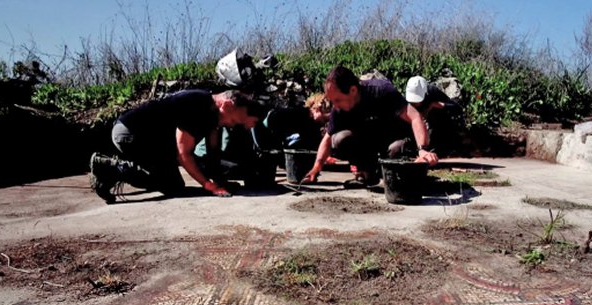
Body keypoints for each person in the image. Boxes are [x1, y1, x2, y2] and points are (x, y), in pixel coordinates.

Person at [89, 89, 263, 203]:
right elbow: (183, 154)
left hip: (149, 138)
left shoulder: (213, 116)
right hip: (131, 134)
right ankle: (109, 168)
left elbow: (212, 153)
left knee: (172, 183)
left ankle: (109, 175)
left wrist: (219, 181)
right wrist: (208, 185)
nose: (232, 126)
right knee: (173, 186)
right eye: (234, 121)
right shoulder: (199, 108)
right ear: (226, 105)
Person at [303, 66, 437, 188]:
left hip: (395, 141)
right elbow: (327, 138)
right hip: (370, 144)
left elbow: (415, 117)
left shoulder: (381, 91)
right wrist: (316, 167)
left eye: (337, 100)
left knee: (397, 149)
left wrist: (423, 149)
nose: (335, 106)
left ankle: (402, 175)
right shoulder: (339, 109)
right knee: (338, 139)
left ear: (353, 90)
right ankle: (368, 173)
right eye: (333, 102)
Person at [405, 75, 464, 154]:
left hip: (434, 126)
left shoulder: (432, 92)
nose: (415, 103)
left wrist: (438, 105)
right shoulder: (405, 101)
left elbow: (457, 108)